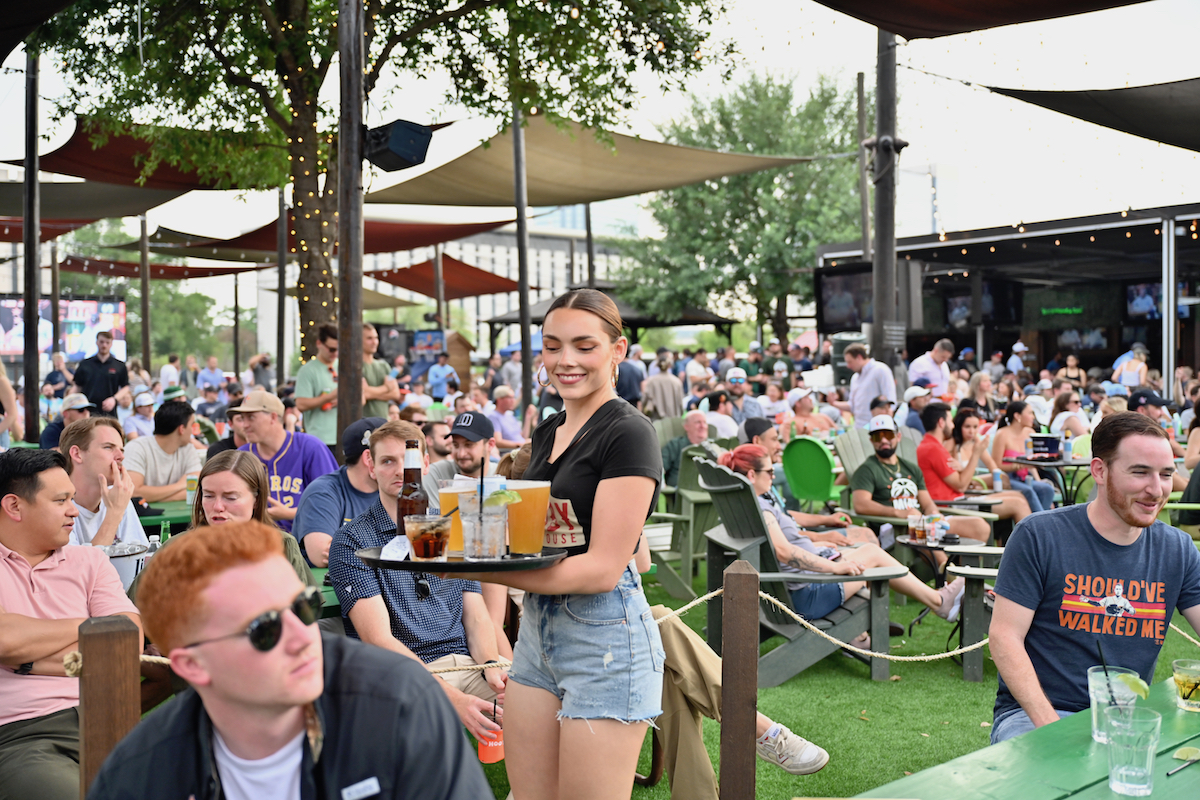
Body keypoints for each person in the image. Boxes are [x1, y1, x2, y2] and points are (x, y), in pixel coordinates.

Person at [89, 520, 490, 800]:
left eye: (304, 607)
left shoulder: (400, 704)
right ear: (193, 666)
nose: (304, 637)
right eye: (265, 629)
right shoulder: (143, 776)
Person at [463, 289, 666, 800]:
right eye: (552, 346)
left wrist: (480, 573)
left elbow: (602, 569)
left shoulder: (628, 433)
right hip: (537, 634)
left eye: (584, 345)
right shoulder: (549, 428)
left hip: (606, 639)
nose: (565, 360)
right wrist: (459, 537)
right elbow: (537, 534)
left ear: (618, 350)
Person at [988, 412, 1200, 743]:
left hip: (1127, 716)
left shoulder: (1177, 548)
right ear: (1100, 471)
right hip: (1039, 714)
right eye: (1140, 472)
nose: (1156, 489)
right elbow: (1004, 637)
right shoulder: (1039, 535)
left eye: (1166, 474)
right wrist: (1051, 727)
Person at [327, 422, 507, 744]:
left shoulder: (450, 523)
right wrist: (455, 700)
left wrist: (492, 668)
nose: (400, 471)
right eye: (387, 461)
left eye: (407, 460)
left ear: (425, 463)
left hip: (467, 663)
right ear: (370, 465)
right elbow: (378, 640)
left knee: (545, 715)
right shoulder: (352, 541)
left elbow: (476, 616)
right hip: (403, 676)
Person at [0, 449, 142, 800]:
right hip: (22, 735)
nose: (74, 511)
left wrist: (28, 660)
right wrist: (93, 624)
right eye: (61, 500)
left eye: (72, 499)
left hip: (111, 715)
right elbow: (4, 639)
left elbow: (124, 644)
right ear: (14, 506)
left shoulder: (89, 559)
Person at [850, 415, 990, 547]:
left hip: (922, 522)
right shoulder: (867, 470)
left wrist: (934, 515)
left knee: (980, 526)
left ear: (898, 437)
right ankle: (947, 570)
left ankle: (962, 567)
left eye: (888, 435)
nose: (884, 441)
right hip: (894, 528)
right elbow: (861, 504)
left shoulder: (911, 468)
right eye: (877, 437)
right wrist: (898, 513)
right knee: (923, 535)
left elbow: (927, 503)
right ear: (871, 441)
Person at [233, 390, 338, 533]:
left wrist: (289, 514)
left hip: (305, 542)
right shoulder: (242, 455)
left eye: (251, 417)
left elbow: (333, 503)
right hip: (255, 542)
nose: (244, 425)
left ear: (273, 417)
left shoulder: (310, 448)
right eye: (242, 418)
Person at [292, 417, 384, 568]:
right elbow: (322, 555)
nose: (400, 468)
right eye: (389, 459)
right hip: (325, 588)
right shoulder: (323, 492)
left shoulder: (394, 489)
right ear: (369, 459)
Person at [919, 404, 1031, 523]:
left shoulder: (932, 446)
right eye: (951, 421)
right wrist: (976, 453)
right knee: (1018, 504)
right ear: (941, 422)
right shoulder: (934, 449)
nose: (952, 426)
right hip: (950, 505)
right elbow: (961, 485)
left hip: (958, 499)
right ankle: (1034, 541)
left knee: (1019, 497)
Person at [59, 417, 145, 547]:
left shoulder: (119, 497)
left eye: (121, 450)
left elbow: (141, 560)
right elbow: (79, 567)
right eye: (108, 447)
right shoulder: (57, 506)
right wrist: (114, 513)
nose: (121, 456)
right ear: (77, 454)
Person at [122, 401, 203, 503]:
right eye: (192, 425)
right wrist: (180, 486)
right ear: (181, 429)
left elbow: (197, 491)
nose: (193, 431)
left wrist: (153, 497)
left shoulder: (188, 449)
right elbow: (132, 492)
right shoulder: (136, 448)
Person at [992, 401, 1057, 513]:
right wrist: (1019, 466)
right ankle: (1040, 523)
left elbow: (1031, 463)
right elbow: (996, 465)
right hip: (1006, 478)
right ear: (1017, 416)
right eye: (1030, 413)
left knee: (1047, 489)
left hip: (1026, 477)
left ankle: (1042, 519)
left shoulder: (1029, 433)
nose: (1033, 417)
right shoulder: (1002, 434)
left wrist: (1038, 480)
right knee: (1028, 491)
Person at [294, 323, 340, 448]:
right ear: (319, 343)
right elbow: (301, 404)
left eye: (338, 349)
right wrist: (329, 397)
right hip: (320, 440)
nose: (335, 353)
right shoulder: (307, 370)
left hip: (344, 436)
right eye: (331, 349)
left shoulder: (344, 366)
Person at [832, 342, 895, 429]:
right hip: (859, 428)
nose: (848, 366)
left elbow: (890, 400)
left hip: (877, 428)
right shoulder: (855, 378)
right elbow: (852, 406)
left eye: (850, 362)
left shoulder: (880, 370)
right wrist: (833, 403)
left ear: (859, 357)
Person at [70, 330, 128, 417]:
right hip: (87, 412)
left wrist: (114, 399)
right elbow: (77, 386)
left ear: (111, 344)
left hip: (110, 412)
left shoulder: (119, 365)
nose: (104, 345)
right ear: (96, 342)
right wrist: (69, 402)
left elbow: (125, 387)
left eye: (107, 342)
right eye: (101, 342)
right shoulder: (85, 364)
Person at [662, 410, 714, 487]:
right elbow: (660, 468)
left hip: (708, 489)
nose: (702, 426)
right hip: (679, 491)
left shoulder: (714, 446)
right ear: (686, 426)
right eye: (698, 422)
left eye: (704, 422)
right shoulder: (675, 445)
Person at [487, 385, 533, 452]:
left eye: (513, 397)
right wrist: (520, 444)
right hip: (512, 453)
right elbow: (498, 442)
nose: (513, 400)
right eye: (510, 398)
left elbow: (523, 436)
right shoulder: (493, 417)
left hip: (522, 449)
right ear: (499, 399)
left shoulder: (509, 415)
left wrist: (528, 418)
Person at [642, 355, 684, 421]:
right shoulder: (676, 381)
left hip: (656, 419)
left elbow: (645, 400)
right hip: (673, 419)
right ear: (669, 365)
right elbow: (680, 403)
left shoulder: (651, 381)